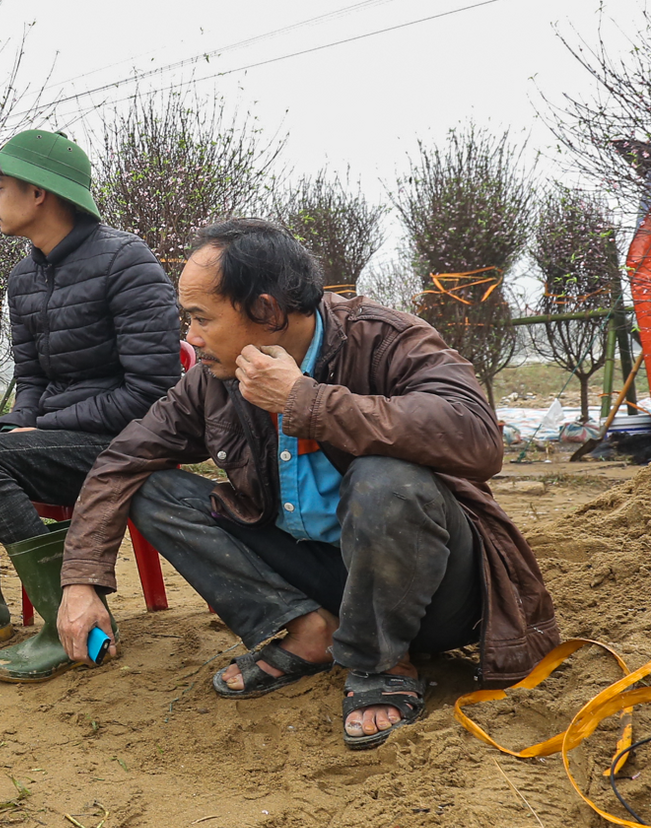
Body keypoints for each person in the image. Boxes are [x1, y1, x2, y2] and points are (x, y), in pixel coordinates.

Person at [56, 219, 559, 749]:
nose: (192, 338)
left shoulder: (387, 339)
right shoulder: (212, 379)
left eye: (202, 318)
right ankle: (310, 632)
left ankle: (383, 663)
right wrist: (81, 582)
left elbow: (478, 438)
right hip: (326, 573)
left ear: (267, 311)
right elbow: (121, 460)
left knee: (386, 476)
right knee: (154, 489)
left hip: (434, 592)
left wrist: (305, 402)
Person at [0, 129, 183, 681]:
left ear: (39, 194)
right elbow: (30, 378)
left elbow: (152, 391)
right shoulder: (24, 274)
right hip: (58, 434)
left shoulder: (128, 262)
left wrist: (43, 426)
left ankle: (71, 620)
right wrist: (19, 425)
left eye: (1, 186)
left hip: (123, 443)